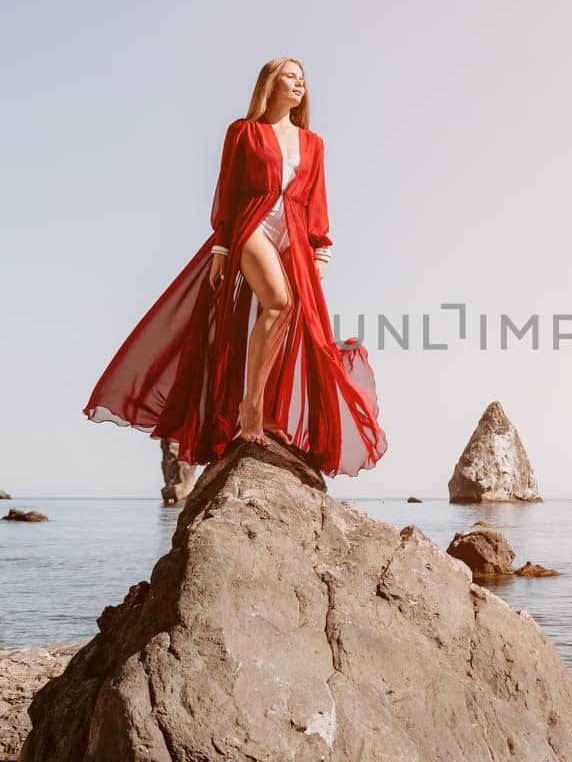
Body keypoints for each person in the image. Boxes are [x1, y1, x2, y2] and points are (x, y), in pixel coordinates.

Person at [82, 56, 387, 477]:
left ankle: (269, 413)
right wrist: (222, 247)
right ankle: (250, 409)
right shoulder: (243, 132)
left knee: (293, 318)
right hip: (253, 224)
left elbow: (317, 198)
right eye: (290, 77)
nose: (299, 85)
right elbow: (227, 190)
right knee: (279, 303)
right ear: (270, 84)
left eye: (302, 80)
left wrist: (321, 248)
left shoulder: (313, 142)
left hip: (295, 231)